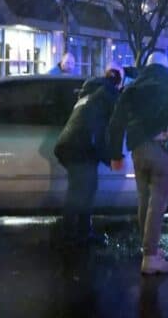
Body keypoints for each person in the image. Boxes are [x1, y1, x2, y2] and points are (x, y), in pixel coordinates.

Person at [108, 52, 168, 275]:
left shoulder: (132, 87)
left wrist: (116, 155)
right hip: (162, 149)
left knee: (144, 200)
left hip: (138, 149)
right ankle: (150, 257)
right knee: (158, 202)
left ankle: (150, 249)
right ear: (166, 66)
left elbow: (116, 122)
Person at [54, 63, 125, 246]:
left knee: (86, 189)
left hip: (70, 145)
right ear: (118, 82)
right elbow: (110, 130)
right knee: (78, 192)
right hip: (81, 148)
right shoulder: (109, 94)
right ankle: (68, 235)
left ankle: (82, 232)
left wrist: (104, 157)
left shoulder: (89, 93)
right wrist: (112, 157)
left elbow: (95, 128)